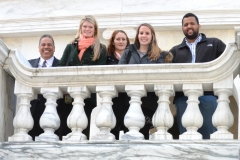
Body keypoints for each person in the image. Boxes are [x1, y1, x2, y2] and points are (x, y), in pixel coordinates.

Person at [169, 13, 226, 139]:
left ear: (198, 26)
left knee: (209, 136)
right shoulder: (175, 51)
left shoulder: (214, 43)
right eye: (186, 25)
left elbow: (229, 60)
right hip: (182, 98)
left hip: (208, 96)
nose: (189, 26)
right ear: (182, 28)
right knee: (186, 137)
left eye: (192, 23)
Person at [118, 23, 173, 139]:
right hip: (129, 99)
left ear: (152, 36)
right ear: (137, 35)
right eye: (141, 33)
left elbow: (159, 75)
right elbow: (120, 71)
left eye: (147, 33)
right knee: (129, 134)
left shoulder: (160, 55)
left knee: (143, 134)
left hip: (149, 101)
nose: (144, 36)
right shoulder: (129, 52)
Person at [58, 15, 107, 139]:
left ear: (95, 29)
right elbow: (60, 67)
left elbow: (100, 71)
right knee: (65, 127)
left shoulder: (100, 48)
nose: (87, 29)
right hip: (68, 94)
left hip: (89, 96)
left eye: (90, 27)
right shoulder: (70, 47)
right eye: (85, 26)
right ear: (80, 28)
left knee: (85, 130)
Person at [28, 34, 59, 140]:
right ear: (39, 48)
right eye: (43, 45)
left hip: (55, 110)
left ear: (54, 49)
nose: (46, 47)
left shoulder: (62, 65)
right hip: (32, 110)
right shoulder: (28, 64)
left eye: (49, 45)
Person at [106, 30, 130, 139]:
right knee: (112, 134)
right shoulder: (107, 58)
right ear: (113, 42)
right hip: (113, 100)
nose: (121, 41)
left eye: (123, 39)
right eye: (118, 39)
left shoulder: (132, 57)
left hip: (129, 98)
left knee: (130, 132)